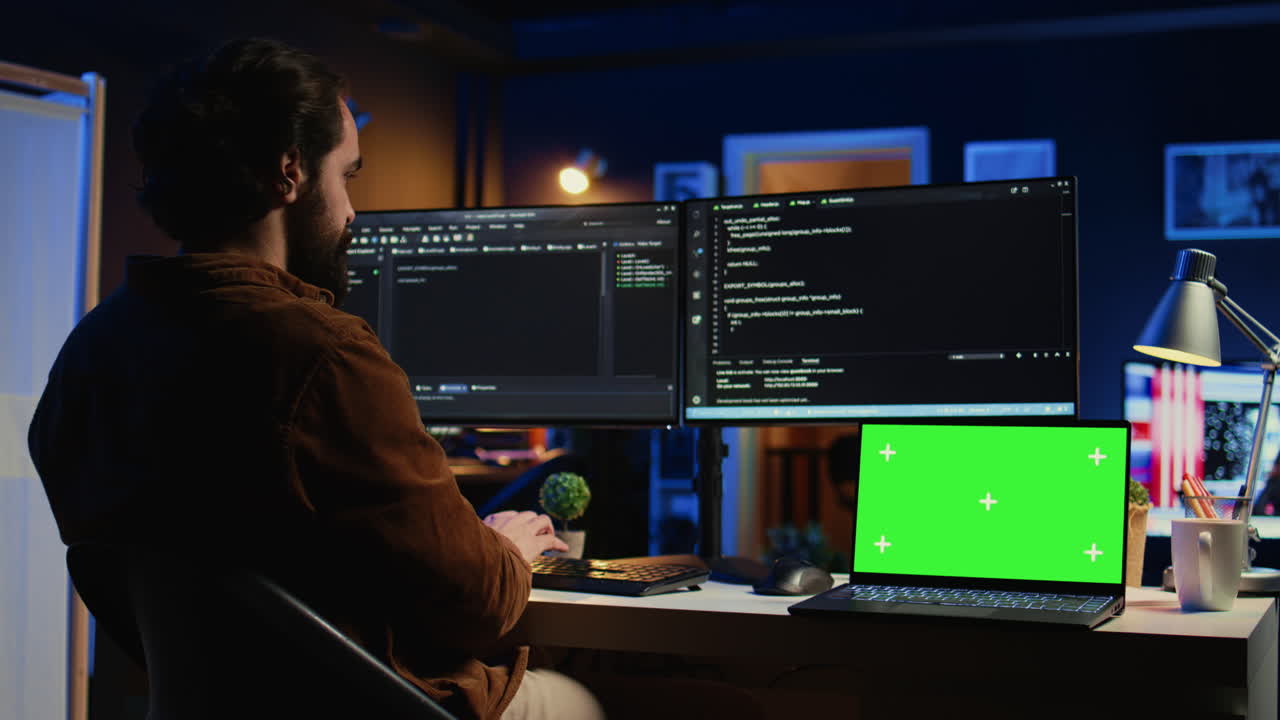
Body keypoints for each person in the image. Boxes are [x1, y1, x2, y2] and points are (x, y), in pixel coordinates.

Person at [27, 37, 603, 720]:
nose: (353, 211)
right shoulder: (323, 354)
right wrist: (506, 548)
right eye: (348, 176)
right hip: (372, 706)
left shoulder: (92, 349)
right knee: (593, 698)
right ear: (291, 172)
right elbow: (476, 608)